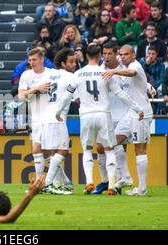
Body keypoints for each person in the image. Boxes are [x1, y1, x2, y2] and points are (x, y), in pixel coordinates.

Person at [55, 43, 144, 195]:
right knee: (109, 150)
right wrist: (137, 108)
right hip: (103, 115)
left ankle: (89, 181)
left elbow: (67, 94)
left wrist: (57, 111)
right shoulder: (105, 73)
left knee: (88, 150)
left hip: (86, 116)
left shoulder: (78, 74)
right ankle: (110, 184)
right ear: (99, 56)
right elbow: (121, 94)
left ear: (86, 55)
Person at [102, 44, 155, 196]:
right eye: (122, 54)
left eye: (127, 54)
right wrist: (149, 86)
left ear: (133, 55)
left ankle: (142, 189)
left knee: (139, 149)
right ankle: (125, 176)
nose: (123, 56)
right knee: (114, 141)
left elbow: (132, 73)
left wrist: (113, 71)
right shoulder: (119, 66)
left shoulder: (135, 65)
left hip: (142, 113)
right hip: (130, 113)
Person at [18, 47, 60, 187]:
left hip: (50, 118)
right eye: (30, 60)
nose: (32, 62)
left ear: (42, 59)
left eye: (34, 59)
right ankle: (61, 182)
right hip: (35, 118)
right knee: (47, 152)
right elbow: (21, 96)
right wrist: (36, 89)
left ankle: (39, 183)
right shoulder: (26, 75)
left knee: (38, 149)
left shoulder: (53, 74)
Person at [93, 42, 128, 195]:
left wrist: (148, 87)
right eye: (104, 54)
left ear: (116, 53)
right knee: (100, 147)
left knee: (118, 147)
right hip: (105, 114)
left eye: (109, 54)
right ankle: (105, 181)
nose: (106, 57)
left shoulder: (125, 68)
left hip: (123, 114)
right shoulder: (99, 69)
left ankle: (118, 183)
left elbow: (138, 80)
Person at [41, 47, 78, 194]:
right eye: (71, 62)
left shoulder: (49, 75)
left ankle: (65, 182)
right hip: (58, 117)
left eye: (75, 61)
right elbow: (79, 99)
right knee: (62, 150)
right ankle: (47, 183)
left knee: (52, 153)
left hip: (45, 116)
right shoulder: (70, 77)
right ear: (63, 63)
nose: (74, 64)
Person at [140, 45, 165, 114]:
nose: (150, 56)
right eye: (149, 53)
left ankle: (157, 113)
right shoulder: (142, 63)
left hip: (155, 88)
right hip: (143, 88)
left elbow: (161, 78)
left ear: (156, 54)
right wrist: (147, 65)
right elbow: (140, 76)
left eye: (153, 54)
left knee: (159, 91)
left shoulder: (161, 64)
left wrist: (153, 87)